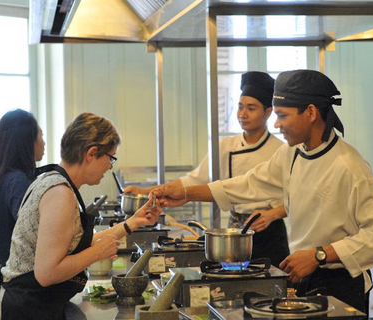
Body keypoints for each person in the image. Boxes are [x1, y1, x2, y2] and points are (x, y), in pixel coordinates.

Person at [153, 69, 373, 316]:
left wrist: (319, 255)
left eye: (282, 116)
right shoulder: (292, 153)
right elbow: (250, 184)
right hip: (305, 278)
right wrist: (186, 193)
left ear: (311, 113)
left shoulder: (350, 166)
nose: (277, 124)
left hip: (342, 284)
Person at [0, 112, 162, 320]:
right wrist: (97, 253)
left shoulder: (53, 181)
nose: (110, 166)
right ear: (91, 153)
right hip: (26, 308)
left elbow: (74, 245)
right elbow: (46, 273)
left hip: (32, 304)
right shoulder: (60, 193)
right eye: (110, 158)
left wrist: (133, 222)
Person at [124, 71, 289, 267]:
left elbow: (295, 197)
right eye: (239, 107)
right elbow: (194, 180)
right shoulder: (226, 146)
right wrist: (145, 191)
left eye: (251, 108)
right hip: (236, 229)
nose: (243, 114)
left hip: (268, 230)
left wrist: (273, 214)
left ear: (268, 112)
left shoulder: (280, 149)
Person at [0, 109, 46, 268]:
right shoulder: (17, 181)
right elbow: (33, 233)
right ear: (27, 141)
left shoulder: (3, 176)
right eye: (41, 136)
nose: (44, 143)